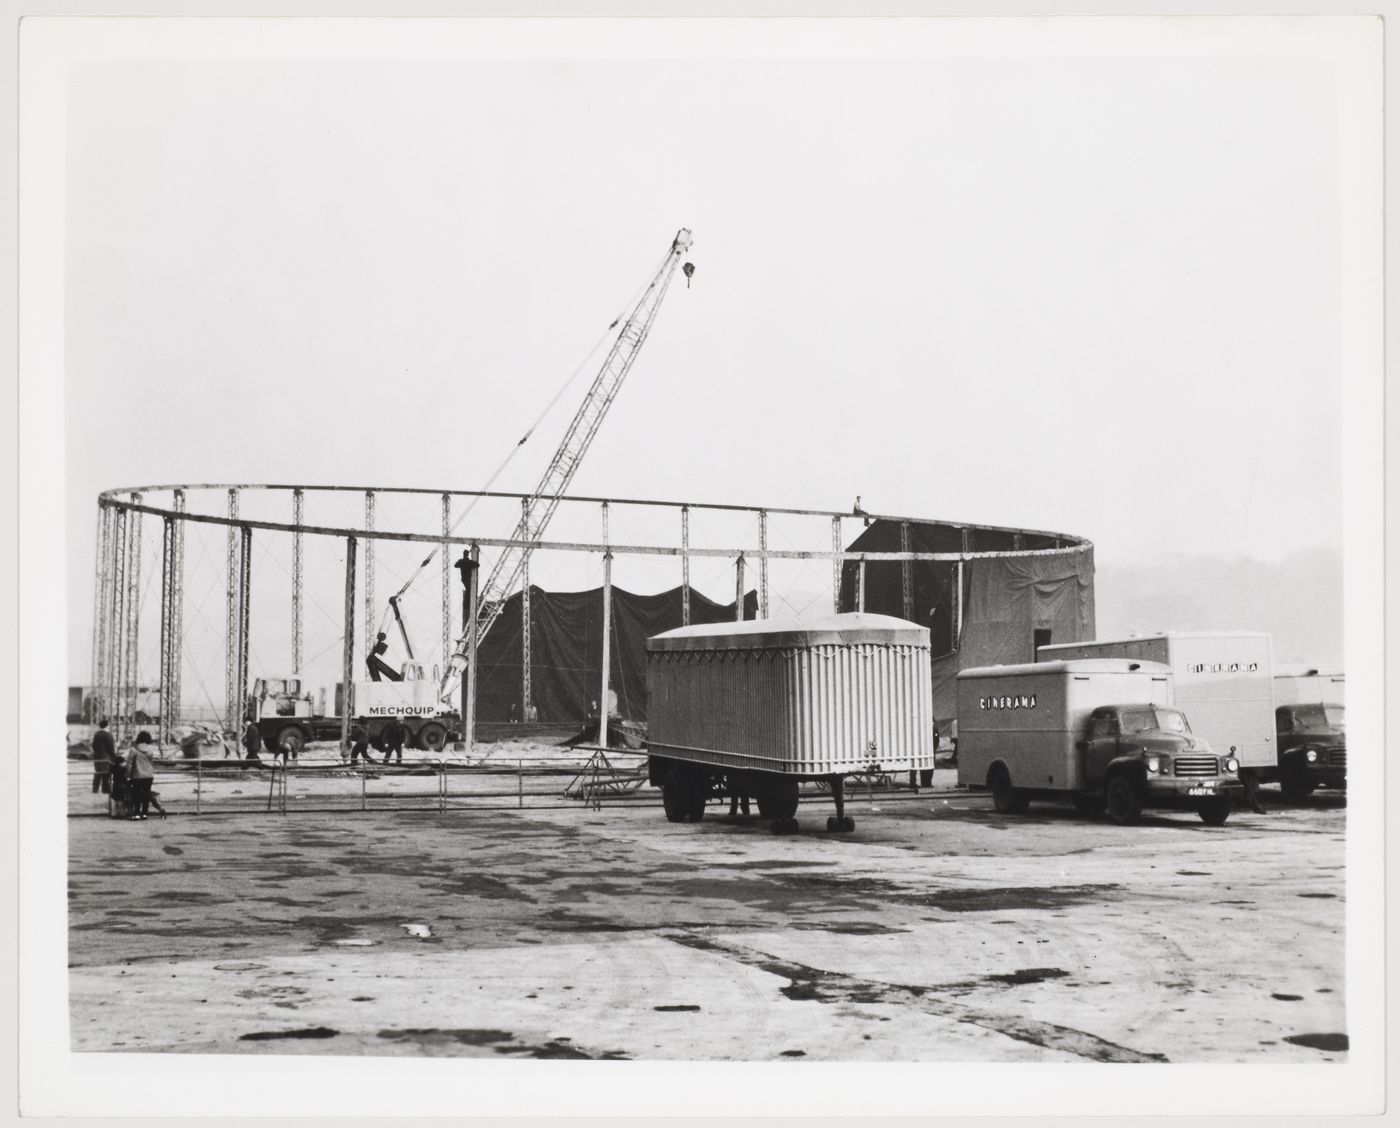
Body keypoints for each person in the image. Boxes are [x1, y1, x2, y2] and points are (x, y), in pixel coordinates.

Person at [125, 732, 157, 821]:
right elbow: (151, 762)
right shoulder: (150, 749)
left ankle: (136, 814)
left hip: (137, 775)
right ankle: (144, 814)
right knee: (146, 795)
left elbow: (130, 764)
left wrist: (128, 775)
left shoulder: (133, 749)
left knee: (136, 795)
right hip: (149, 775)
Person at [91, 718, 115, 794]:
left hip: (97, 757)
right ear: (107, 726)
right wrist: (113, 757)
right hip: (106, 757)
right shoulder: (108, 735)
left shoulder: (96, 734)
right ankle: (105, 790)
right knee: (106, 774)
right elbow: (111, 747)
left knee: (98, 773)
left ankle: (95, 789)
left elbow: (94, 746)